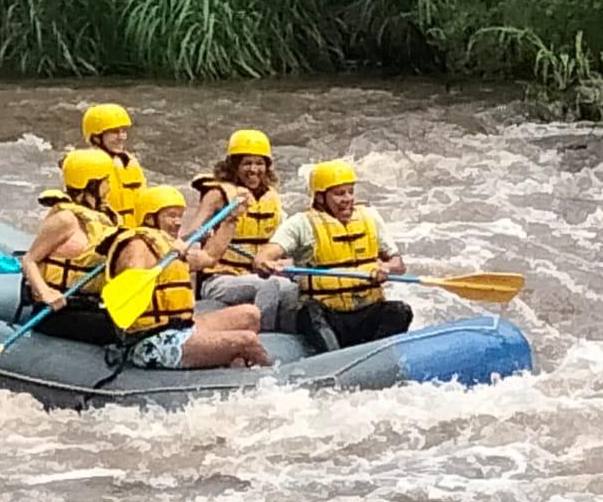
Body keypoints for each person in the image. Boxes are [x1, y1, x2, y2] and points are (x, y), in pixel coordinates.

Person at [253, 160, 413, 349]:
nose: (347, 199)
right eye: (339, 194)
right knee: (310, 312)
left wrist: (386, 267)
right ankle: (332, 357)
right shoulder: (301, 224)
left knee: (400, 311)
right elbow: (265, 256)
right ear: (320, 197)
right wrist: (265, 262)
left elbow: (398, 264)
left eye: (350, 192)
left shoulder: (370, 217)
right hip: (327, 313)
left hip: (367, 311)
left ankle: (373, 356)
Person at [112, 184, 271, 370]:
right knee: (247, 341)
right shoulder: (137, 245)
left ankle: (233, 366)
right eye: (171, 216)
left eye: (180, 216)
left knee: (249, 314)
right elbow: (131, 281)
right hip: (151, 342)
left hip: (180, 328)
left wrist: (231, 219)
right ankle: (276, 382)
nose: (178, 222)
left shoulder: (170, 247)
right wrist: (164, 257)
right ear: (149, 218)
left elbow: (210, 256)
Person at [182, 129, 300, 332]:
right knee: (269, 286)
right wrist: (205, 232)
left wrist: (284, 262)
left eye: (259, 163)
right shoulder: (218, 195)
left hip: (257, 272)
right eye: (247, 163)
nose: (253, 169)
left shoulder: (271, 197)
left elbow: (281, 243)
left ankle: (291, 338)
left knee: (296, 285)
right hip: (220, 279)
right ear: (234, 166)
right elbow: (191, 234)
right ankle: (262, 337)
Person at [19, 148, 125, 345]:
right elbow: (29, 260)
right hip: (57, 310)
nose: (110, 187)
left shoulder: (110, 220)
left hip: (92, 304)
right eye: (106, 181)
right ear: (91, 184)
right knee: (113, 330)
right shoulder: (65, 219)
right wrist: (45, 293)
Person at [82, 103, 146, 227]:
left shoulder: (130, 162)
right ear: (96, 137)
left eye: (123, 131)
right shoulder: (86, 166)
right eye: (114, 132)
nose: (121, 137)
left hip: (135, 231)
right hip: (106, 233)